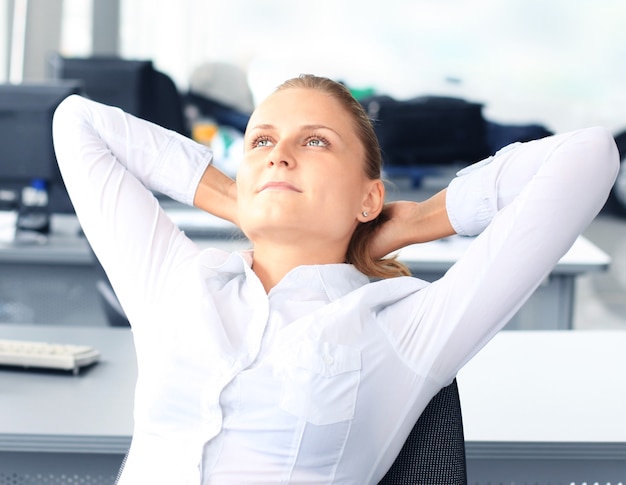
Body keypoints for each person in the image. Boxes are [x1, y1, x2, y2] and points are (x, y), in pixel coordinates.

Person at [52, 74, 619, 485]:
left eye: (315, 140)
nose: (280, 155)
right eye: (262, 141)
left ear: (370, 197)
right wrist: (236, 197)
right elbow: (77, 123)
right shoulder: (178, 282)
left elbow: (590, 155)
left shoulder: (401, 326)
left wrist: (422, 220)